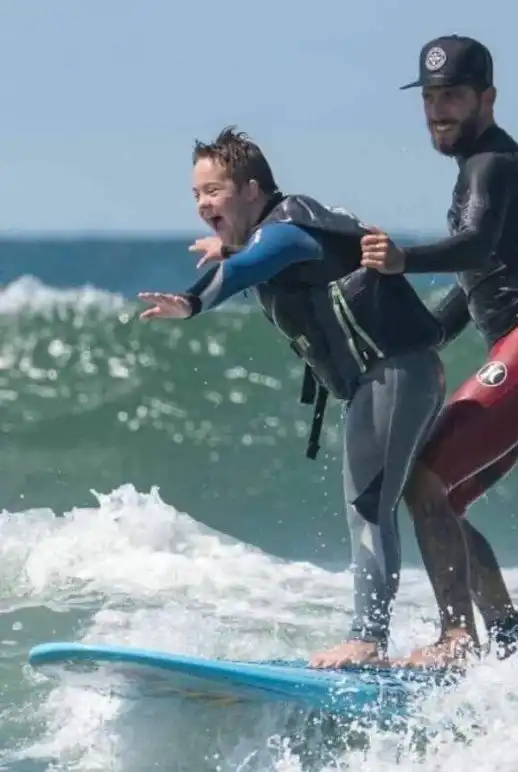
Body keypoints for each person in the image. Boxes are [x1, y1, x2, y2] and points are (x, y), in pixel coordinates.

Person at [138, 127, 454, 668]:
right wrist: (230, 245)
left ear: (252, 190)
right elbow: (255, 254)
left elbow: (248, 266)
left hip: (394, 375)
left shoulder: (288, 230)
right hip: (400, 374)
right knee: (401, 500)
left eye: (213, 191)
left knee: (367, 505)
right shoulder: (287, 230)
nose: (203, 204)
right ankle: (460, 630)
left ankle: (368, 639)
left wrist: (191, 303)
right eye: (195, 194)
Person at [360, 35, 518, 667]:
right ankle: (506, 636)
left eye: (453, 96)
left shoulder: (491, 165)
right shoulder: (487, 166)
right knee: (445, 496)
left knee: (425, 479)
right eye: (430, 98)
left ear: (487, 98)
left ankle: (457, 637)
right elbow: (479, 279)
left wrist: (403, 259)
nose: (438, 110)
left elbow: (477, 246)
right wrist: (421, 337)